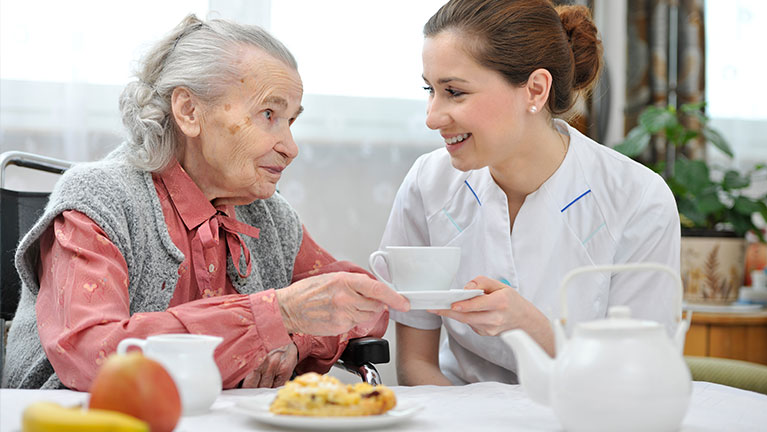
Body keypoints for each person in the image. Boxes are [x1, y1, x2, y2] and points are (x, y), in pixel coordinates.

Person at [3, 14, 409, 390]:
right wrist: (275, 315)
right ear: (189, 110)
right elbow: (95, 353)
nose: (290, 147)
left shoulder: (268, 215)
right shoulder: (99, 200)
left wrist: (297, 337)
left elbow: (367, 303)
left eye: (292, 121)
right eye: (269, 114)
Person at [378, 0, 681, 386]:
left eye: (454, 91)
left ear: (535, 89)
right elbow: (416, 366)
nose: (432, 116)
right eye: (430, 89)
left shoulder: (637, 200)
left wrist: (529, 324)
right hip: (456, 414)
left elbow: (638, 377)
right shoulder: (428, 182)